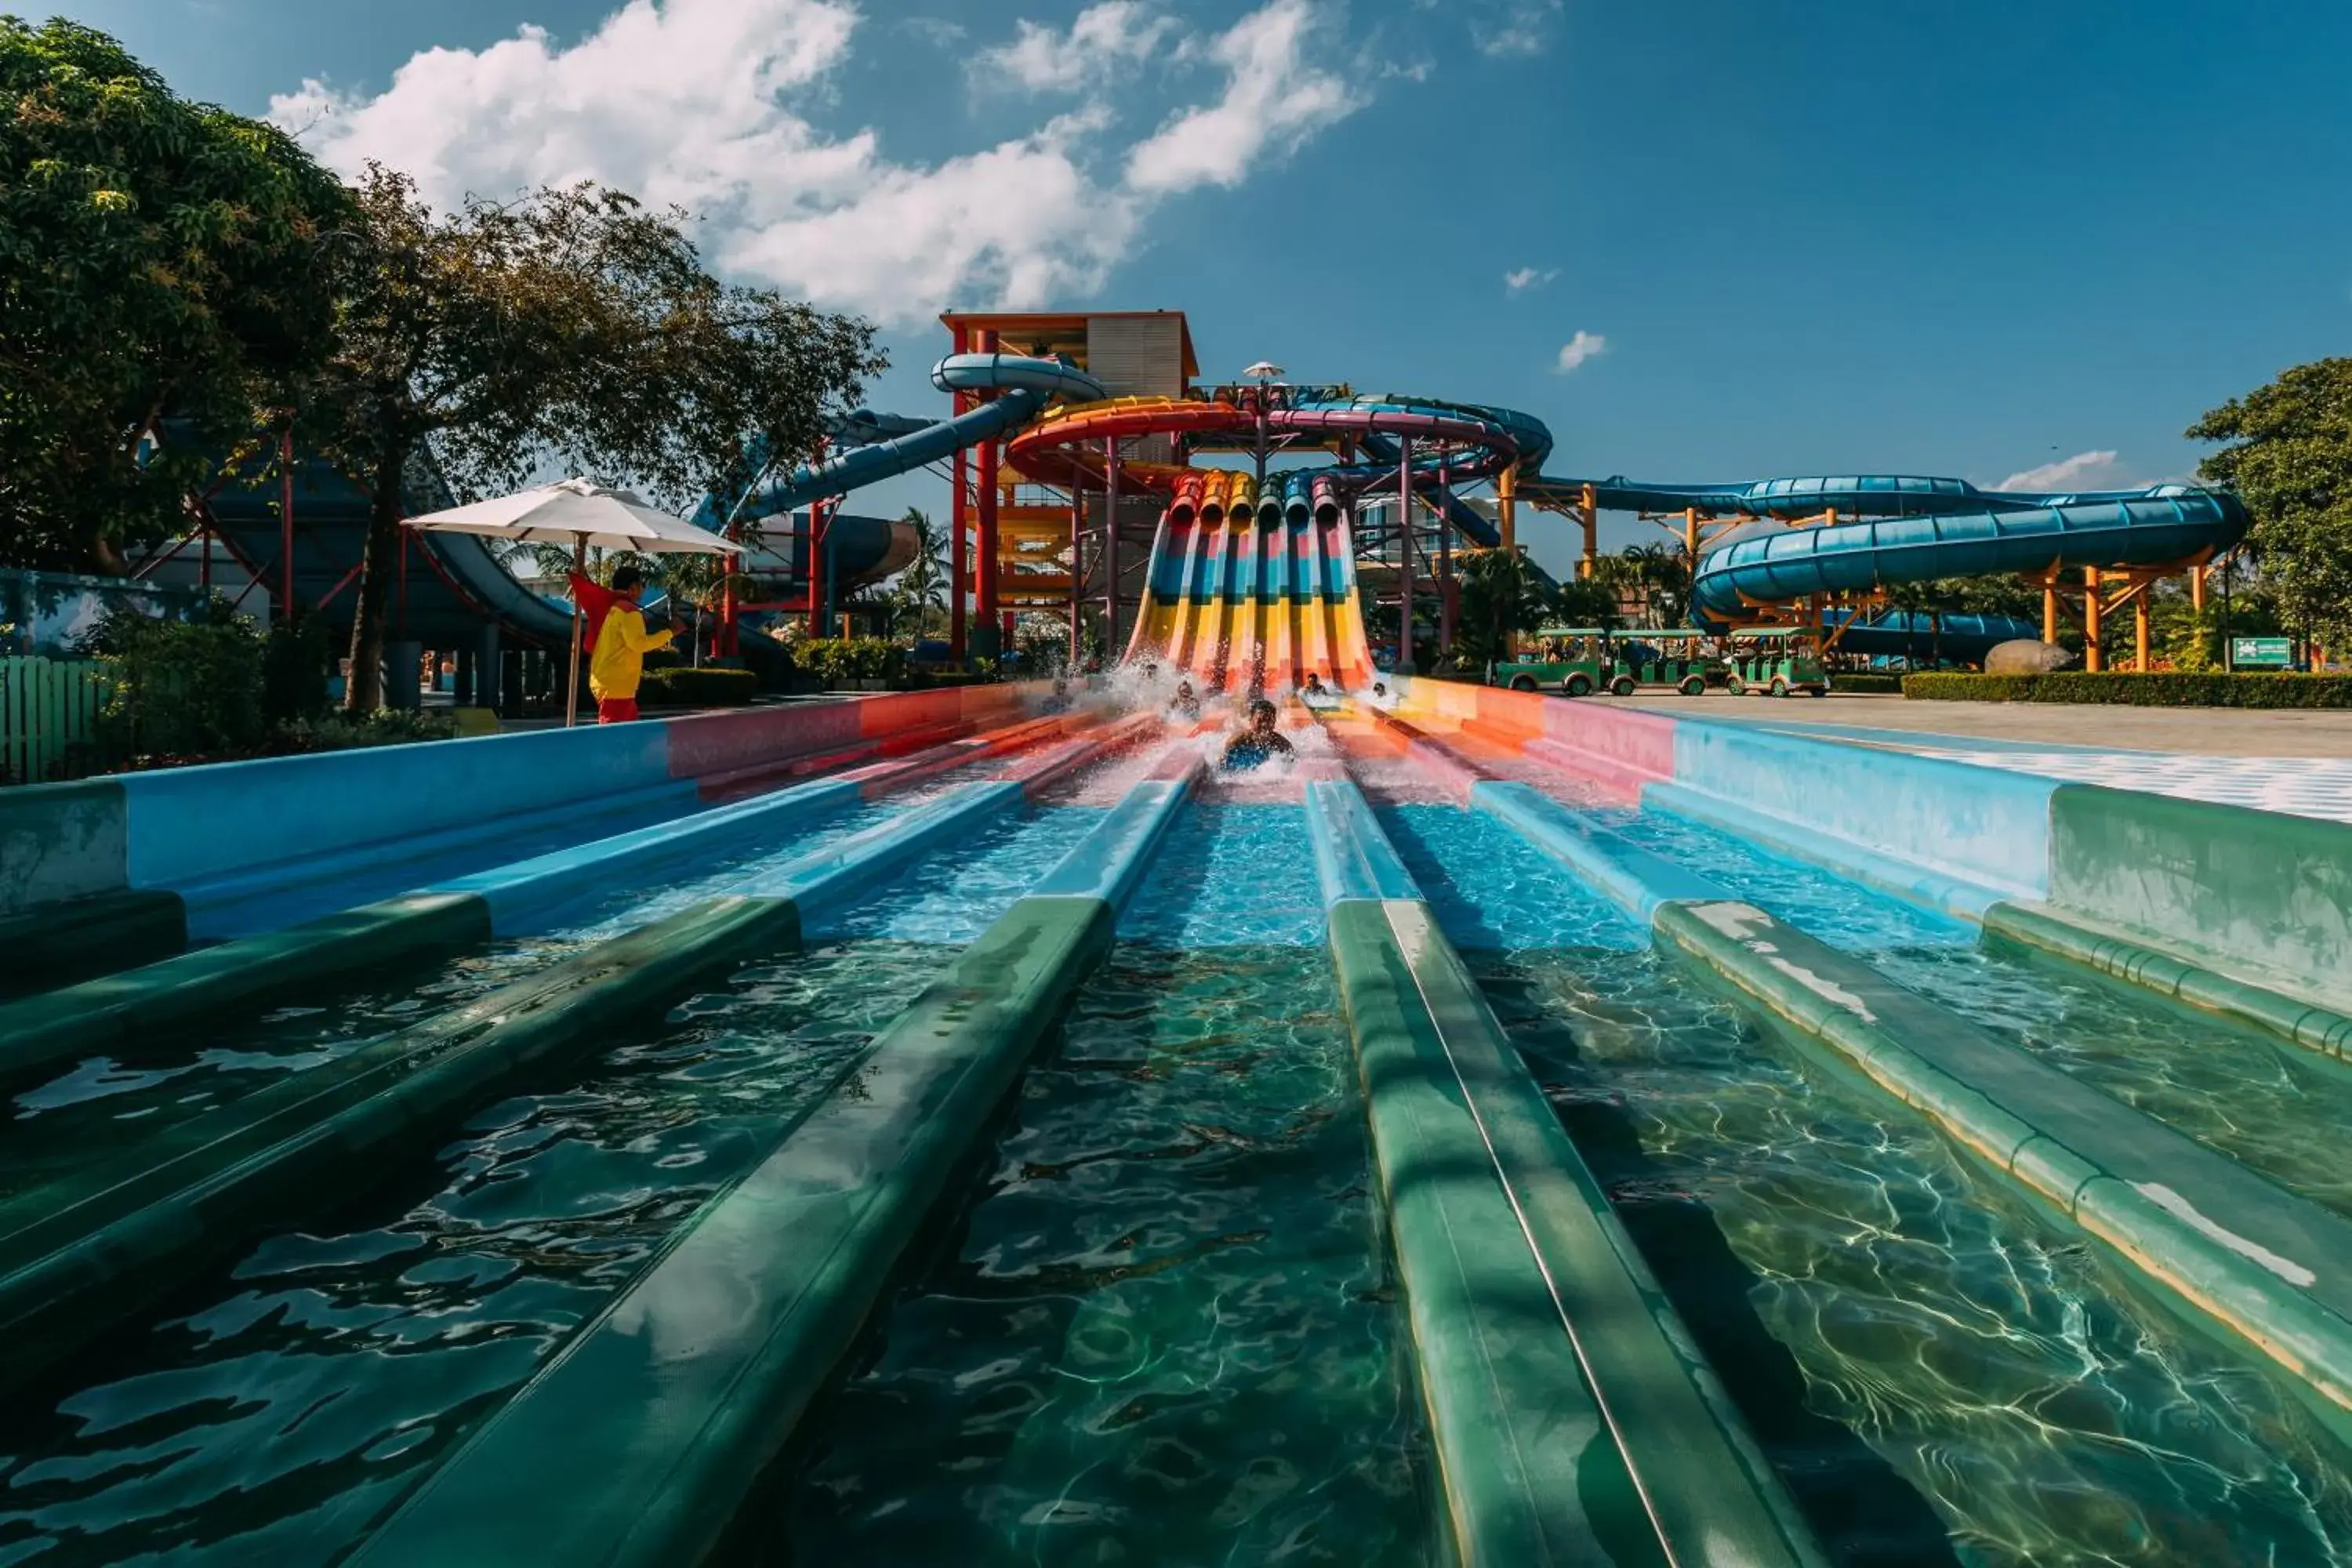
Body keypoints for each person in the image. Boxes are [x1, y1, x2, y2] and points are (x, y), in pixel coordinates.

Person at [587, 565, 676, 724]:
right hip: (617, 688)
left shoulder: (614, 609)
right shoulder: (629, 612)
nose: (643, 589)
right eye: (642, 585)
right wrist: (670, 633)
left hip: (610, 684)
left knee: (628, 737)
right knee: (616, 740)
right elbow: (639, 644)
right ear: (633, 588)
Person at [1220, 698, 1295, 771]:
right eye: (1260, 720)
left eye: (1269, 720)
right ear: (1251, 721)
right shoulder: (1236, 743)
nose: (1264, 724)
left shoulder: (1283, 746)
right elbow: (1222, 768)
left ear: (1274, 722)